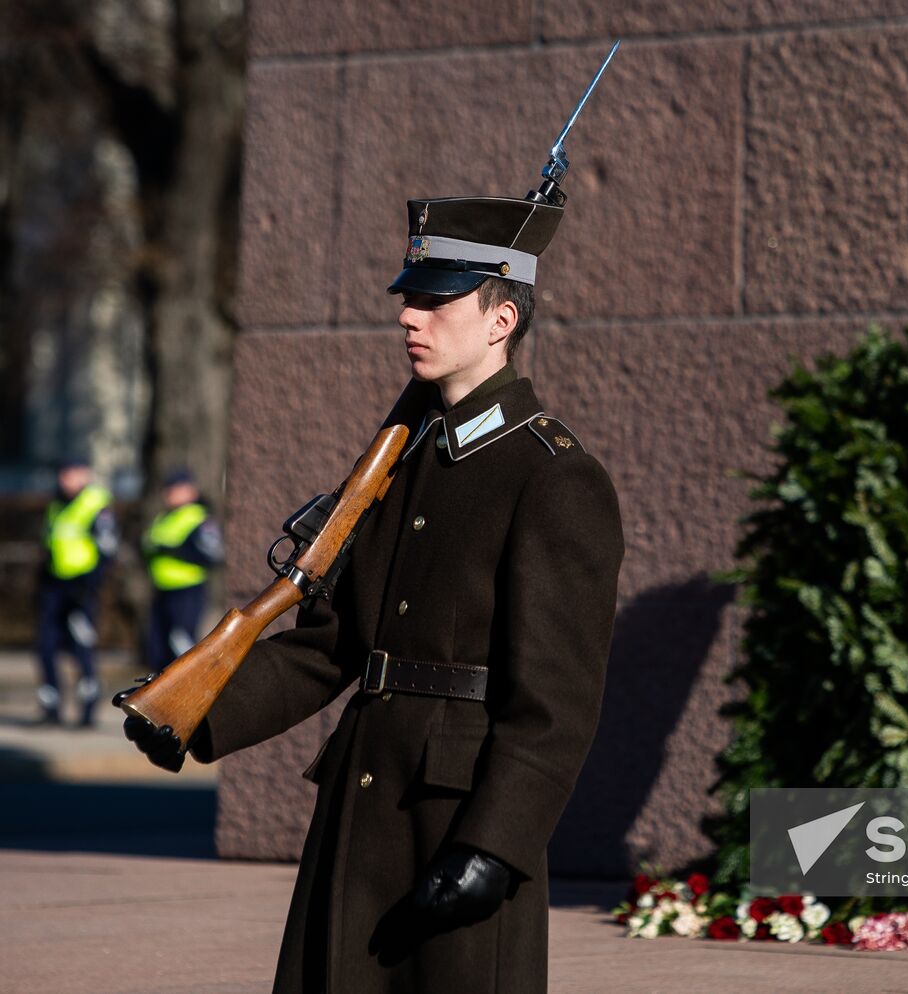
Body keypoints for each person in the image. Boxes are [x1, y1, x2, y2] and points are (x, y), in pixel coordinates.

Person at [120, 190, 625, 994]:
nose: (408, 317)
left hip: (454, 821)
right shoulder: (401, 467)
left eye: (435, 299)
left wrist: (495, 844)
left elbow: (556, 704)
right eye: (408, 298)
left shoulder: (554, 478)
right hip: (363, 804)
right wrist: (197, 712)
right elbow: (334, 645)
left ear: (502, 320)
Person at [37, 456, 119, 727]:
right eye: (63, 474)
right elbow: (50, 545)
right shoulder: (57, 505)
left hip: (81, 588)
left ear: (84, 475)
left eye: (71, 474)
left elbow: (107, 549)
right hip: (55, 586)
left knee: (82, 647)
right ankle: (50, 706)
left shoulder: (95, 505)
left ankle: (87, 708)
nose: (65, 480)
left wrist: (91, 585)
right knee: (46, 646)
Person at [142, 468, 223, 672]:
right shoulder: (163, 518)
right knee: (157, 650)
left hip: (187, 591)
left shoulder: (199, 518)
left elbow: (211, 555)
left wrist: (174, 551)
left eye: (177, 489)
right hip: (162, 591)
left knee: (181, 647)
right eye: (168, 490)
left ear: (191, 491)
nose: (171, 494)